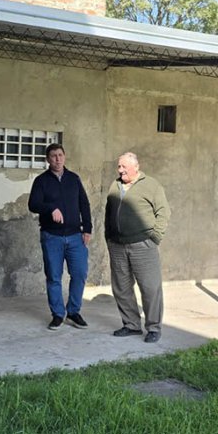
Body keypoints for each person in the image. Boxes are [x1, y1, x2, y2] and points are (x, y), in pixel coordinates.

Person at [104, 152, 170, 343]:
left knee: (150, 287)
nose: (120, 170)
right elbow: (108, 213)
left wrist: (154, 237)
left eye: (124, 166)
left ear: (136, 167)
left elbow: (164, 212)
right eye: (119, 166)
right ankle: (131, 325)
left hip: (143, 245)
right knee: (121, 288)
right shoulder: (115, 185)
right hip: (117, 245)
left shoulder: (151, 185)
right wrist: (109, 237)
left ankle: (153, 328)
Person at [28, 143, 92, 331]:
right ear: (48, 159)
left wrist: (87, 229)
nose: (57, 159)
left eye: (60, 155)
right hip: (52, 237)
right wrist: (51, 208)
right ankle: (57, 314)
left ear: (64, 157)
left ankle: (73, 311)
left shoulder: (74, 179)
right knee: (54, 277)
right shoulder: (41, 181)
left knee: (79, 274)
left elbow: (84, 204)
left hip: (75, 237)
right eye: (53, 156)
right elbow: (33, 204)